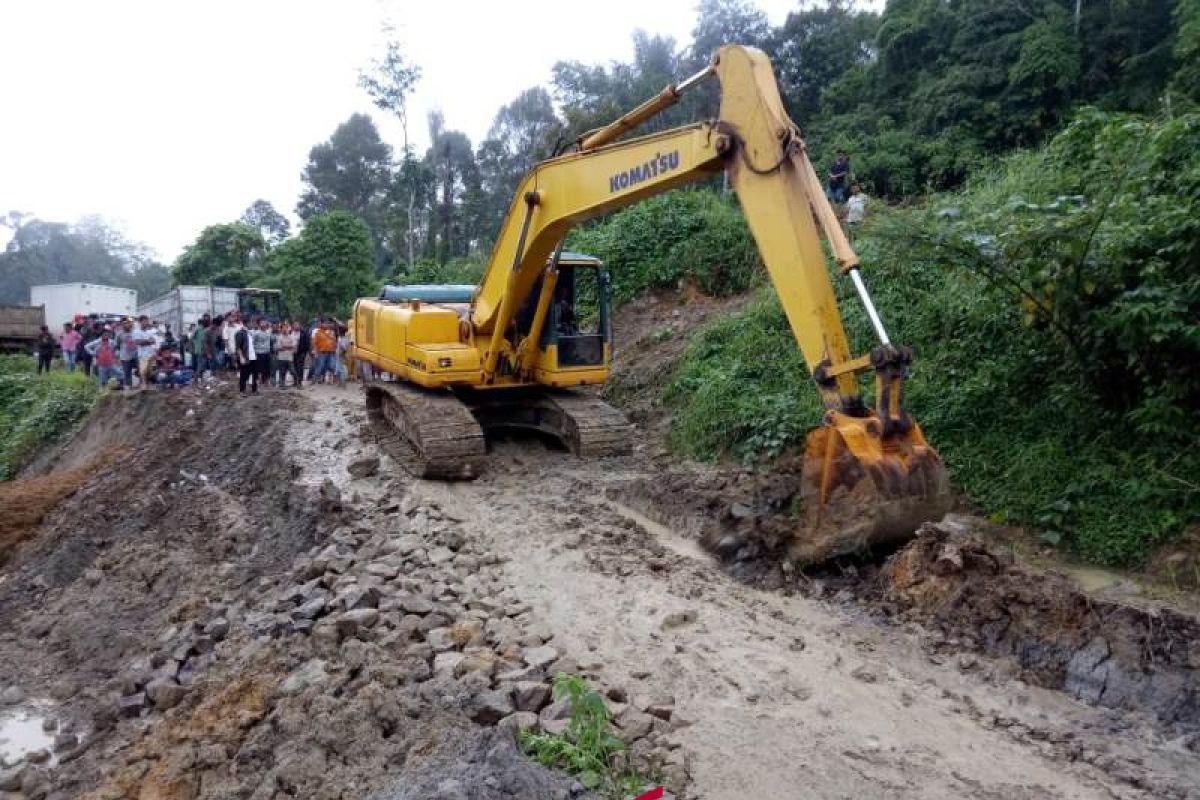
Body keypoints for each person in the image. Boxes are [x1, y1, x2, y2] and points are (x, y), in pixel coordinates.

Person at [308, 319, 338, 385]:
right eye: (324, 323)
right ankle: (314, 380)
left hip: (331, 352)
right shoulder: (318, 332)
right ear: (321, 324)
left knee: (332, 366)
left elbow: (334, 341)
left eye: (327, 324)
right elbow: (314, 343)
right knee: (319, 367)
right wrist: (315, 351)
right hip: (322, 352)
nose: (326, 325)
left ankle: (332, 379)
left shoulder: (332, 332)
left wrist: (335, 348)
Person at [134, 316, 159, 392]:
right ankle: (143, 384)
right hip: (142, 355)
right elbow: (138, 342)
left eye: (147, 321)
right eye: (144, 321)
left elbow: (154, 341)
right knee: (143, 370)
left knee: (149, 371)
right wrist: (148, 341)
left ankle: (147, 384)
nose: (146, 323)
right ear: (140, 322)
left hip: (150, 354)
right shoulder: (136, 332)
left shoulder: (149, 332)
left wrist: (146, 341)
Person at [234, 321, 258, 394]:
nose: (253, 324)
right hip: (245, 357)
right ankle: (242, 390)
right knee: (244, 375)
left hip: (253, 357)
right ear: (247, 323)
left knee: (255, 374)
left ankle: (254, 390)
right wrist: (241, 357)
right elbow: (238, 347)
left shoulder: (250, 333)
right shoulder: (240, 333)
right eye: (251, 323)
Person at [115, 317, 139, 389]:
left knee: (141, 370)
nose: (127, 325)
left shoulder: (135, 332)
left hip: (136, 356)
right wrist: (118, 356)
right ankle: (129, 388)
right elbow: (117, 345)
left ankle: (141, 385)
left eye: (129, 323)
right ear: (122, 324)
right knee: (127, 374)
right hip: (125, 357)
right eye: (125, 323)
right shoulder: (119, 334)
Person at [273, 320, 298, 387]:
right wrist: (288, 347)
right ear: (281, 329)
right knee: (282, 371)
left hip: (289, 357)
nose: (285, 329)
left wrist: (284, 346)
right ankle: (282, 383)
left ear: (288, 328)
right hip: (281, 357)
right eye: (283, 328)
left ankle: (297, 381)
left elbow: (294, 347)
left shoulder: (292, 337)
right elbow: (277, 348)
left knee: (292, 371)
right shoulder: (279, 337)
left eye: (286, 328)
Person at [251, 317, 273, 387]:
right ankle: (259, 381)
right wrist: (254, 351)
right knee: (260, 368)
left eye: (264, 322)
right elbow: (252, 343)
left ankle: (266, 381)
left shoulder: (269, 331)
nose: (263, 324)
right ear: (259, 324)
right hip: (259, 352)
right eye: (262, 322)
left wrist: (268, 324)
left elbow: (271, 325)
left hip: (267, 352)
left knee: (267, 367)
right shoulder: (256, 333)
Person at [293, 318, 311, 387]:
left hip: (301, 352)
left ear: (300, 325)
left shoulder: (304, 333)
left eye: (297, 325)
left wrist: (307, 351)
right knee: (294, 367)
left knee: (300, 367)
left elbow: (307, 343)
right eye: (294, 325)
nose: (296, 326)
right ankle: (295, 381)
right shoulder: (290, 332)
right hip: (292, 353)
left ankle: (299, 382)